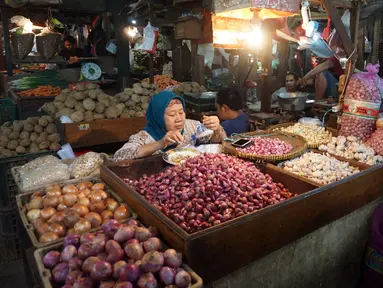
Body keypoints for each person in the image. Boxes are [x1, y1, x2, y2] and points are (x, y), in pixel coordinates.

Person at [113, 91, 227, 161]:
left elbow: (219, 139)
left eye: (181, 112)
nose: (179, 118)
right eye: (172, 114)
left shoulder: (192, 126)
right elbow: (118, 157)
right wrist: (160, 144)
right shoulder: (145, 137)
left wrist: (216, 127)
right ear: (159, 117)